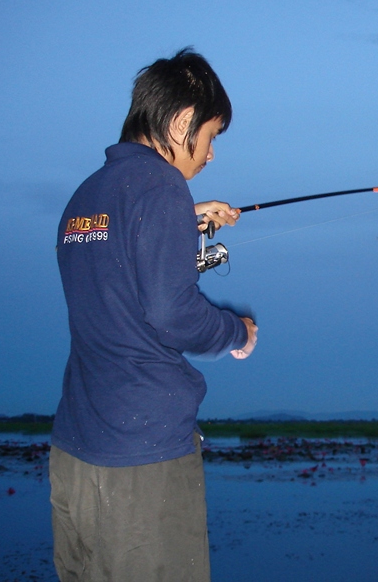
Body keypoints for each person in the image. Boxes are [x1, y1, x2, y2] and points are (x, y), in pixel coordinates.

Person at [50, 48, 257, 582]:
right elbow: (172, 314)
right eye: (211, 136)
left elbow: (118, 277)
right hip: (143, 461)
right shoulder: (162, 187)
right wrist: (239, 331)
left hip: (75, 454)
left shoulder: (84, 198)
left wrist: (182, 222)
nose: (210, 156)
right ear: (182, 121)